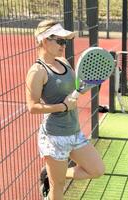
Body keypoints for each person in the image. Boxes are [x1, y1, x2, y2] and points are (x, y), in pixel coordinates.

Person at [26, 19, 105, 200]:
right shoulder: (37, 71)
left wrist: (89, 85)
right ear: (45, 40)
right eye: (60, 41)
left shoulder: (64, 62)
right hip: (54, 137)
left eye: (65, 41)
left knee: (97, 170)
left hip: (74, 131)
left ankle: (49, 173)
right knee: (58, 188)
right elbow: (32, 107)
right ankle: (54, 177)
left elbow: (75, 89)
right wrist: (62, 106)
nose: (64, 45)